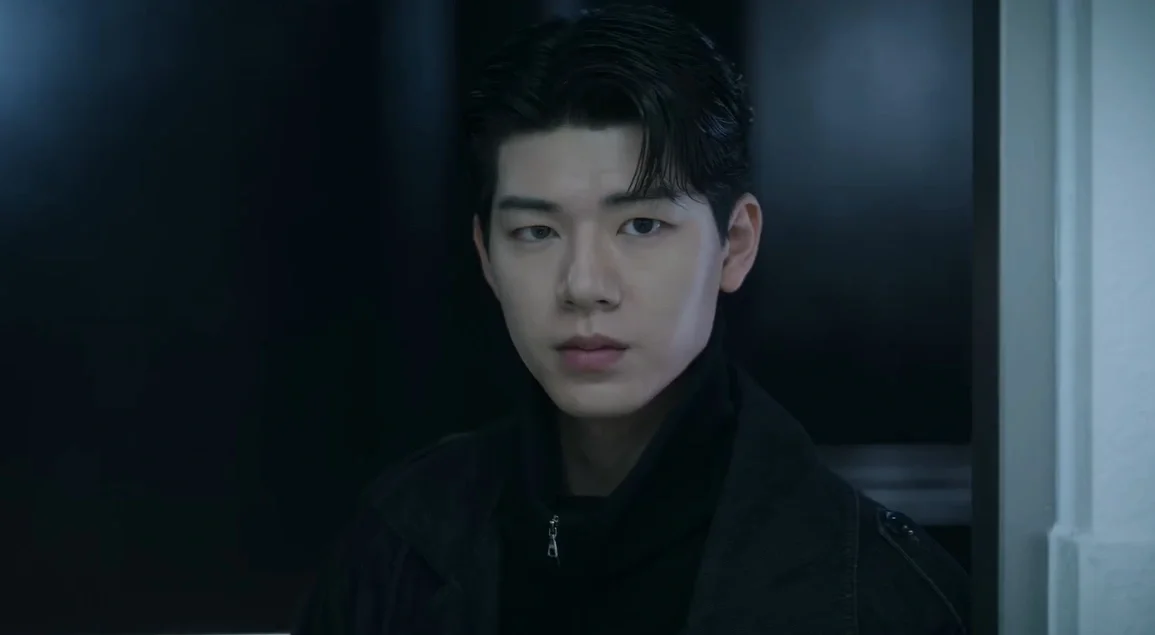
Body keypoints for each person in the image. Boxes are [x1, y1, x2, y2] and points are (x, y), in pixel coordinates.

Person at [293, 5, 970, 634]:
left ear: (734, 244)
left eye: (641, 225)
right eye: (535, 232)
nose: (584, 285)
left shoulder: (874, 590)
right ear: (487, 257)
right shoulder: (399, 542)